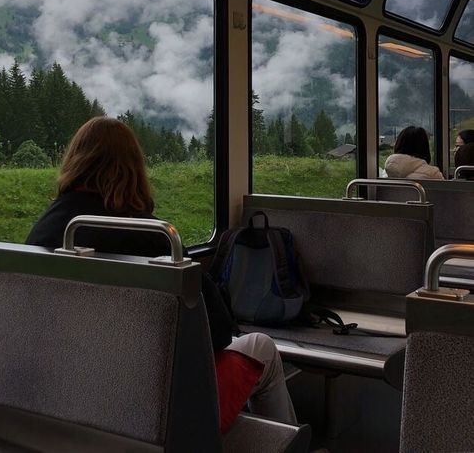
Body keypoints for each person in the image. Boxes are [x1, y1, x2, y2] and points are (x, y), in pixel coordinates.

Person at [26, 116, 297, 428]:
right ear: (132, 169)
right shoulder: (150, 235)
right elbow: (219, 331)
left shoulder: (44, 231)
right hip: (144, 401)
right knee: (261, 346)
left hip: (61, 394)